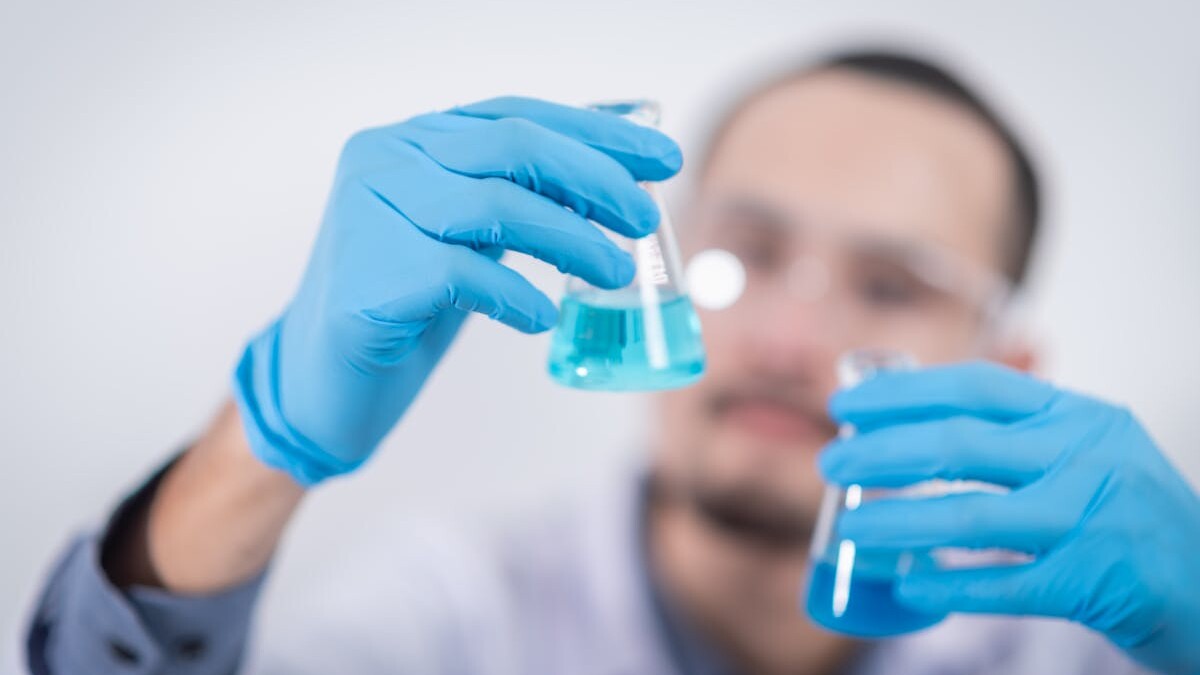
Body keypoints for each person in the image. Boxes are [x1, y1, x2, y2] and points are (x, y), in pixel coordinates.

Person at [25, 48, 1200, 675]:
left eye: (889, 286)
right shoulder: (456, 618)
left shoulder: (1089, 654)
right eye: (744, 252)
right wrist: (263, 439)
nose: (787, 341)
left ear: (1011, 360)